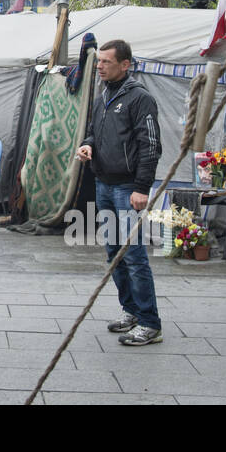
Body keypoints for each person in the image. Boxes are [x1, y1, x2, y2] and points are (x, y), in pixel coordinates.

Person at [76, 39, 164, 347]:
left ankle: (150, 323)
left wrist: (142, 188)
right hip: (103, 184)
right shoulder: (103, 96)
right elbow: (93, 130)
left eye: (106, 62)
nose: (99, 66)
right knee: (114, 252)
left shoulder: (140, 99)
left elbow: (151, 145)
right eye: (98, 61)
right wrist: (88, 144)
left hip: (127, 188)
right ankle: (131, 311)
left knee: (134, 255)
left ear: (125, 65)